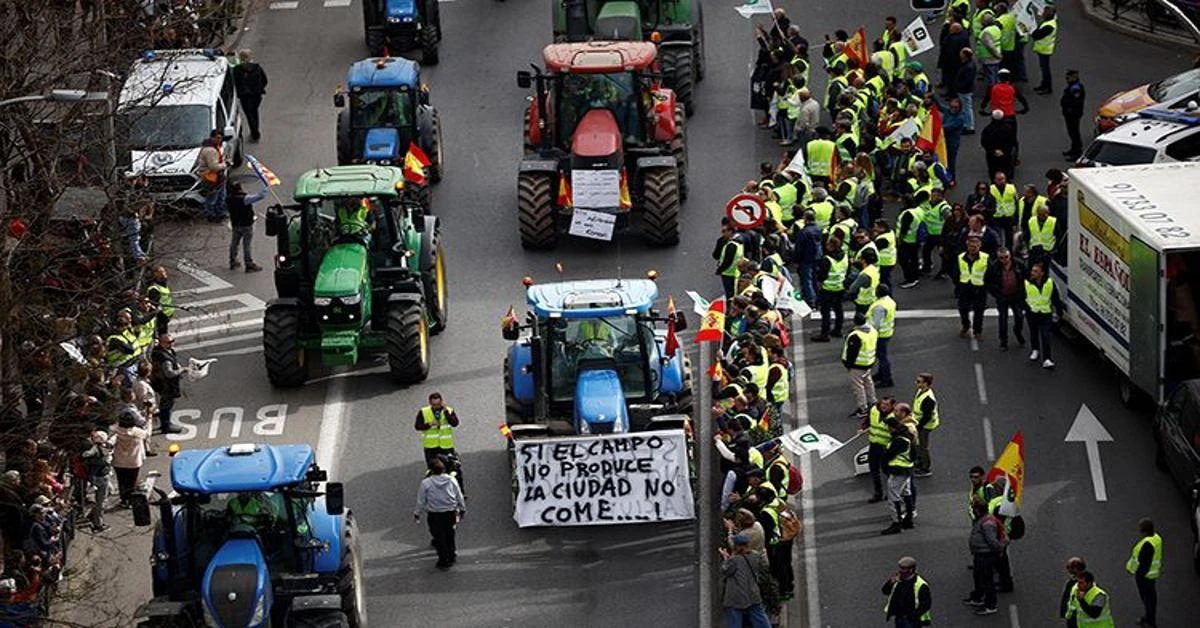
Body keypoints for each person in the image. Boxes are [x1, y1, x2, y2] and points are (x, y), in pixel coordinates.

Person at [414, 458, 466, 570]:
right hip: (450, 512)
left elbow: (421, 500)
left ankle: (444, 560)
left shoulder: (426, 483)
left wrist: (417, 513)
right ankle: (451, 555)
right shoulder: (451, 480)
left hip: (435, 514)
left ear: (431, 470)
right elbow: (458, 495)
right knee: (450, 534)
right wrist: (462, 508)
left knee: (438, 536)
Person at [719, 534, 771, 628]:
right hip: (753, 593)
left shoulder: (734, 560)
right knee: (760, 618)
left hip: (736, 596)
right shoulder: (755, 556)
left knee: (734, 620)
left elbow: (726, 571)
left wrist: (726, 558)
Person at [965, 500, 1007, 615]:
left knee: (987, 581)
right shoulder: (983, 520)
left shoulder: (987, 523)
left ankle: (990, 605)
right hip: (980, 555)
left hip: (985, 556)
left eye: (974, 509)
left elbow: (992, 541)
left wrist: (999, 549)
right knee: (979, 578)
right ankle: (978, 598)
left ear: (978, 510)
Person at [986, 247, 1027, 351]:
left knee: (1019, 317)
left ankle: (1018, 332)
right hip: (1002, 296)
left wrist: (1023, 293)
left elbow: (1026, 278)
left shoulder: (1019, 264)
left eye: (1006, 257)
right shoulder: (994, 267)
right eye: (1001, 258)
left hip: (1016, 296)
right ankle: (1003, 342)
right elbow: (988, 281)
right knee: (1003, 319)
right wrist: (996, 294)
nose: (1004, 260)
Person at [1024, 262, 1063, 368]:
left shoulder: (1049, 282)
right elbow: (1022, 297)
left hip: (1045, 313)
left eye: (1036, 271)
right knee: (1034, 333)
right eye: (1032, 271)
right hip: (1032, 312)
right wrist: (1026, 308)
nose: (1033, 273)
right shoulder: (1027, 283)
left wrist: (1059, 312)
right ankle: (1035, 349)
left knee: (1046, 335)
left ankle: (1047, 358)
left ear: (1042, 273)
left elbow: (1055, 297)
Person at [880, 417, 915, 535]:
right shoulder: (907, 436)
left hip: (898, 471)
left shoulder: (898, 440)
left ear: (892, 427)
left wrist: (885, 466)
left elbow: (888, 455)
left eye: (888, 427)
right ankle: (908, 519)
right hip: (907, 469)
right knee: (907, 493)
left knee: (893, 497)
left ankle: (897, 523)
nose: (887, 429)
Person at [1126, 518, 1162, 628]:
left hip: (1145, 577)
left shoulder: (1147, 544)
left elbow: (1144, 563)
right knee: (1150, 598)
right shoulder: (1156, 538)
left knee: (1148, 599)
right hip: (1152, 574)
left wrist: (1138, 575)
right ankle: (1148, 618)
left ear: (1145, 531)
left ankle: (1150, 621)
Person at [810, 237, 848, 342]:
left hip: (828, 289)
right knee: (838, 309)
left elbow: (822, 275)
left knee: (825, 312)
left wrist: (819, 284)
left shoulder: (827, 259)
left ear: (831, 247)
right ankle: (838, 329)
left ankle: (824, 334)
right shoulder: (844, 255)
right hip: (840, 287)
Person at [843, 313, 878, 418]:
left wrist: (848, 365)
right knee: (868, 382)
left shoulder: (856, 335)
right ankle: (873, 401)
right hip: (868, 362)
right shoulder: (872, 330)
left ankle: (863, 408)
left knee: (858, 387)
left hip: (857, 365)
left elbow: (852, 353)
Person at [882, 556, 933, 628]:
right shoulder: (898, 580)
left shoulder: (920, 584)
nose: (900, 570)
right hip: (899, 618)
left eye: (903, 569)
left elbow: (926, 604)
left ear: (911, 569)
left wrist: (913, 616)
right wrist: (890, 582)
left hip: (911, 621)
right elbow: (885, 591)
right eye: (900, 568)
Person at [228, 181, 268, 272]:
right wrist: (265, 186)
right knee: (247, 245)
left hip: (235, 224)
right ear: (240, 188)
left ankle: (232, 260)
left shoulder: (229, 199)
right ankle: (249, 263)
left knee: (234, 243)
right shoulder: (245, 199)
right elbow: (260, 196)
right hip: (246, 224)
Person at [111, 411, 149, 508]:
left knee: (121, 481)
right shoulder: (137, 432)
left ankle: (123, 499)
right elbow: (147, 434)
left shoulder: (115, 430)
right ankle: (130, 500)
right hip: (133, 461)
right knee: (131, 482)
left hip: (118, 461)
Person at [956, 237, 990, 340]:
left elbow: (990, 273)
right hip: (965, 286)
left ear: (980, 246)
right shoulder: (960, 257)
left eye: (975, 246)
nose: (973, 248)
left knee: (979, 311)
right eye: (971, 246)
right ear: (967, 246)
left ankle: (977, 331)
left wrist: (986, 285)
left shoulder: (986, 257)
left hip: (979, 288)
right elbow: (956, 271)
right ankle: (966, 326)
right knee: (963, 308)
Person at [149, 334, 184, 434]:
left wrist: (177, 366)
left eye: (172, 341)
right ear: (161, 343)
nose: (171, 344)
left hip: (164, 384)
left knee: (166, 403)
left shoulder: (167, 351)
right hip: (166, 385)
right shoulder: (163, 357)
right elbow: (169, 373)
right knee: (167, 404)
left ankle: (165, 421)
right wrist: (181, 370)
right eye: (168, 342)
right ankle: (166, 425)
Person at [232, 49, 268, 142]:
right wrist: (259, 88)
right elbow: (265, 80)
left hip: (245, 96)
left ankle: (255, 132)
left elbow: (235, 83)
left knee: (249, 114)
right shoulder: (257, 68)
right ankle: (255, 131)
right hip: (256, 95)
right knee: (254, 112)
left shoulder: (237, 69)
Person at [414, 392, 460, 466]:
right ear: (430, 403)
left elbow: (455, 423)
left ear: (442, 402)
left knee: (451, 467)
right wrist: (429, 424)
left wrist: (446, 412)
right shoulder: (424, 411)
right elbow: (417, 426)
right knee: (434, 469)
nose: (436, 407)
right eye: (434, 405)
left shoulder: (449, 410)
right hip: (431, 447)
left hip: (446, 446)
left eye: (438, 404)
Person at [792, 210, 823, 306]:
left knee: (807, 280)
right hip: (817, 258)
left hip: (806, 259)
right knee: (814, 279)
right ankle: (817, 299)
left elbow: (799, 248)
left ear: (805, 219)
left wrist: (796, 259)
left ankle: (811, 300)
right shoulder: (819, 229)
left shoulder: (804, 232)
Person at [911, 373, 939, 477]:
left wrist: (918, 427)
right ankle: (920, 461)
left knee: (923, 447)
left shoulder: (928, 399)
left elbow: (927, 417)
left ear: (926, 384)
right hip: (919, 422)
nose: (916, 383)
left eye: (919, 381)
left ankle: (925, 468)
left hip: (925, 425)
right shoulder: (921, 391)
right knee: (917, 444)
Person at [868, 285, 897, 388]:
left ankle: (886, 379)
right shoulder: (889, 301)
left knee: (882, 357)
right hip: (887, 332)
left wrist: (869, 334)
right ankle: (881, 374)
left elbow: (876, 324)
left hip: (880, 335)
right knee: (882, 356)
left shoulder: (879, 306)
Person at [196, 129, 228, 222]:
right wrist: (226, 164)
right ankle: (211, 215)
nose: (219, 140)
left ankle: (219, 214)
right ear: (212, 137)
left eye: (221, 138)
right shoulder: (210, 150)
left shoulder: (214, 147)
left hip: (217, 178)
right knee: (212, 199)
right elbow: (214, 167)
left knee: (220, 197)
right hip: (211, 179)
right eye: (217, 138)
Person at [981, 110, 1017, 180]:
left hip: (992, 155)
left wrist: (993, 151)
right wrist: (1004, 151)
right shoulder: (1008, 129)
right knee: (1006, 172)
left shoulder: (988, 129)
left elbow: (984, 142)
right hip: (1005, 155)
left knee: (993, 172)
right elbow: (1012, 142)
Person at [1031, 7, 1058, 94]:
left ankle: (1047, 87)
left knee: (1045, 70)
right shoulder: (1049, 23)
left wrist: (1033, 31)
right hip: (1044, 49)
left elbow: (1037, 35)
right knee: (1044, 69)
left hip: (1044, 49)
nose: (1042, 14)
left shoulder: (1049, 26)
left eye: (1044, 13)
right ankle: (1044, 85)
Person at [715, 222, 745, 300]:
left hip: (728, 273)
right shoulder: (739, 243)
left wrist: (719, 270)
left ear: (730, 231)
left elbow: (728, 261)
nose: (722, 234)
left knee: (730, 295)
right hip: (734, 272)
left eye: (724, 231)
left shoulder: (731, 245)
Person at [1061, 70, 1086, 160]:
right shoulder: (1072, 86)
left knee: (1074, 132)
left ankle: (1077, 152)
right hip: (1069, 113)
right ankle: (1073, 149)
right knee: (1071, 131)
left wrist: (1070, 110)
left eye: (1068, 77)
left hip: (1073, 114)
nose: (1066, 79)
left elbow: (1076, 102)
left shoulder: (1076, 88)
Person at [145, 266, 175, 335]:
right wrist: (163, 317)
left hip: (165, 316)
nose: (165, 274)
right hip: (160, 318)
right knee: (161, 334)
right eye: (161, 272)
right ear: (156, 274)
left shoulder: (162, 284)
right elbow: (155, 307)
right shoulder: (154, 289)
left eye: (164, 271)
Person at [954, 48, 977, 134]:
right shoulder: (968, 64)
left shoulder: (968, 67)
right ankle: (965, 124)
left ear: (965, 55)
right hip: (964, 90)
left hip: (965, 90)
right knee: (964, 108)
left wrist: (959, 86)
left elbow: (967, 80)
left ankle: (969, 126)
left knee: (967, 108)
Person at [1060, 556, 1088, 628]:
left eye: (1070, 568)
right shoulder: (1071, 582)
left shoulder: (1083, 583)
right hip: (1073, 616)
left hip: (1079, 617)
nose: (1069, 571)